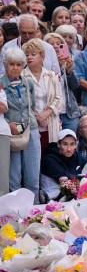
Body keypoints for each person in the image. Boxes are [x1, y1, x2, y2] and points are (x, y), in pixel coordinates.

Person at [2, 48, 40, 201]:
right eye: (12, 64)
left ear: (23, 65)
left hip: (31, 129)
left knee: (33, 175)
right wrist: (6, 123)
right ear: (5, 65)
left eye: (19, 64)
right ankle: (14, 214)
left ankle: (36, 211)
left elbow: (32, 104)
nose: (15, 68)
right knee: (14, 177)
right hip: (11, 133)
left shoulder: (28, 83)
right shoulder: (0, 83)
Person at [23, 38, 63, 150]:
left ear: (42, 57)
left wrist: (46, 114)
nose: (29, 57)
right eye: (27, 55)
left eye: (33, 54)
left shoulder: (52, 75)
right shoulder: (21, 77)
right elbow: (22, 103)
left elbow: (59, 100)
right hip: (31, 126)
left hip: (51, 126)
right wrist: (37, 117)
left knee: (51, 158)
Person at [40, 129, 85, 201]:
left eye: (72, 144)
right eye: (65, 144)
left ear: (76, 145)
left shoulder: (76, 155)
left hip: (70, 187)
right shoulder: (49, 158)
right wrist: (83, 177)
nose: (69, 149)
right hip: (54, 190)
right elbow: (65, 176)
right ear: (58, 144)